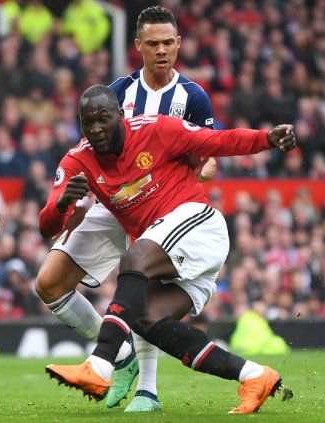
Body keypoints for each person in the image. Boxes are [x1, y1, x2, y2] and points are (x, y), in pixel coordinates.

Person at [40, 85, 294, 414]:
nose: (97, 128)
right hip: (174, 253)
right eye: (89, 122)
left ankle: (100, 364)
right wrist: (62, 203)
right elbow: (47, 227)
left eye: (104, 119)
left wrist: (266, 139)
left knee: (134, 259)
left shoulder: (156, 129)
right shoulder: (77, 160)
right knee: (146, 321)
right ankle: (255, 376)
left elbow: (218, 140)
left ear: (120, 115)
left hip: (198, 225)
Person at [35, 5, 216, 412]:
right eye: (152, 43)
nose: (161, 50)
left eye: (168, 42)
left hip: (163, 206)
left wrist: (186, 171)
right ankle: (119, 357)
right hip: (113, 202)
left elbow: (211, 159)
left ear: (179, 44)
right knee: (48, 283)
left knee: (142, 288)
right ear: (138, 46)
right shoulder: (118, 92)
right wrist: (77, 198)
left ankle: (148, 393)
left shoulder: (193, 97)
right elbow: (92, 146)